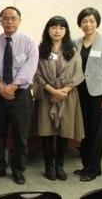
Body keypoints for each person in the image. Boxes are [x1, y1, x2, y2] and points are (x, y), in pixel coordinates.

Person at [0, 7, 38, 185]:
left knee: (20, 135)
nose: (9, 21)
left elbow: (30, 67)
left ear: (19, 20)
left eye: (13, 18)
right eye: (5, 18)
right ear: (0, 21)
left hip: (21, 95)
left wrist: (13, 86)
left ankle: (18, 170)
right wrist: (1, 86)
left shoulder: (29, 42)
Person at [33, 16, 85, 181]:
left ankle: (60, 165)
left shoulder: (73, 50)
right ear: (48, 30)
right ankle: (49, 165)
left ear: (66, 31)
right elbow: (36, 74)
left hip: (68, 96)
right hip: (46, 95)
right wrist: (52, 91)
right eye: (54, 27)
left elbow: (78, 73)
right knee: (47, 132)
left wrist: (64, 91)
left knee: (64, 131)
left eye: (61, 28)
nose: (57, 31)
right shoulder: (40, 50)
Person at [73, 7, 102, 182]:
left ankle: (92, 168)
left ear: (97, 23)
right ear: (80, 24)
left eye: (91, 21)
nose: (88, 24)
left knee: (97, 133)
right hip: (78, 93)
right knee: (84, 131)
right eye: (84, 21)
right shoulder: (75, 42)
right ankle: (87, 166)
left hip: (98, 95)